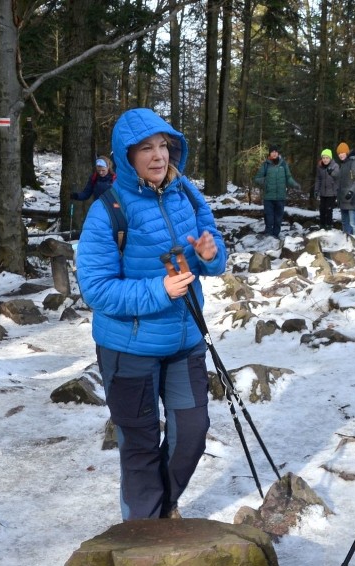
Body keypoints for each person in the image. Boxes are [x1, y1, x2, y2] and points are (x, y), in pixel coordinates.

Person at [76, 108, 228, 521]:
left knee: (192, 432)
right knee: (140, 445)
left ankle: (161, 510)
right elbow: (96, 288)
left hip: (185, 339)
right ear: (127, 156)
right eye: (147, 148)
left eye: (164, 145)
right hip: (129, 347)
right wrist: (158, 290)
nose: (159, 156)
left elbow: (212, 249)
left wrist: (210, 257)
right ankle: (142, 538)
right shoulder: (107, 210)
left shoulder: (187, 193)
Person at [253, 144, 300, 237]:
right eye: (272, 152)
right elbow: (257, 178)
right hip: (268, 197)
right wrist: (265, 181)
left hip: (280, 197)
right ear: (270, 154)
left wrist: (294, 184)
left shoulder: (283, 164)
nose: (274, 154)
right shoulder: (266, 164)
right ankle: (268, 235)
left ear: (278, 153)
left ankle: (275, 236)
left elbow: (288, 177)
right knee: (269, 218)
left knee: (278, 219)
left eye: (275, 152)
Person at [336, 142, 355, 238]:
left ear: (347, 152)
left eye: (342, 153)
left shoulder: (354, 163)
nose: (340, 155)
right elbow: (340, 181)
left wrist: (351, 192)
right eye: (339, 153)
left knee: (353, 222)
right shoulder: (342, 165)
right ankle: (346, 241)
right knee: (345, 222)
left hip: (352, 198)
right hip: (343, 198)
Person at [314, 148, 339, 228]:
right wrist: (316, 190)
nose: (325, 160)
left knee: (329, 209)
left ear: (330, 158)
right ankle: (322, 225)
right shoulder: (320, 167)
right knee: (322, 209)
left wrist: (331, 172)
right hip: (322, 192)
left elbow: (337, 176)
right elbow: (318, 179)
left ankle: (329, 225)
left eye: (327, 158)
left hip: (331, 192)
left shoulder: (335, 166)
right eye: (323, 158)